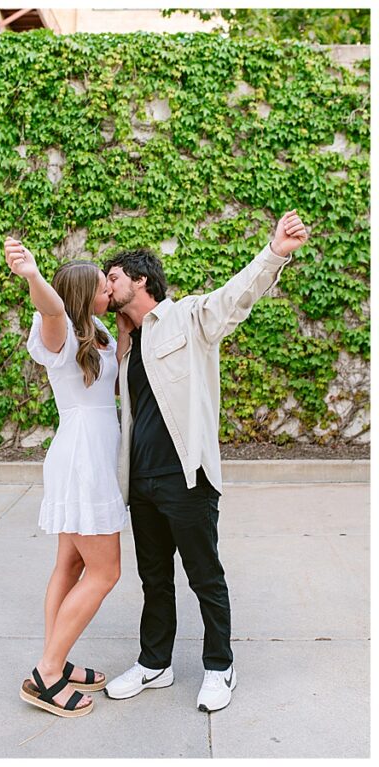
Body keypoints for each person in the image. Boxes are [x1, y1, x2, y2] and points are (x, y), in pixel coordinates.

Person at [102, 211, 308, 712]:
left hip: (186, 477)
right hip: (142, 481)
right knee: (154, 579)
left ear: (141, 280)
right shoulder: (125, 347)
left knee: (204, 577)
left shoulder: (189, 317)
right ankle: (155, 663)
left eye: (114, 277)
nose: (107, 286)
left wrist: (275, 252)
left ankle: (220, 666)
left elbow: (236, 296)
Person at [5, 237, 126, 719]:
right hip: (82, 460)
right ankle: (48, 673)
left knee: (71, 566)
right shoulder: (57, 330)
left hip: (92, 454)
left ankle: (55, 658)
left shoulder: (98, 328)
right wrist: (33, 275)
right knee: (106, 572)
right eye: (101, 286)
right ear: (80, 295)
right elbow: (51, 307)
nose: (108, 290)